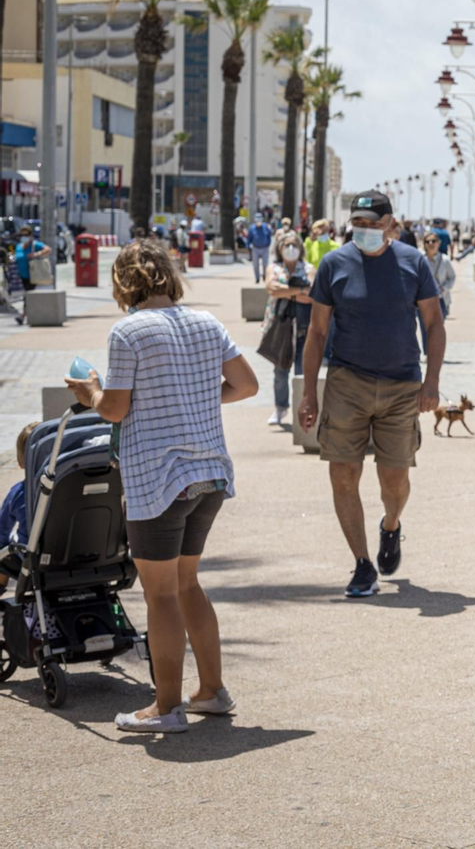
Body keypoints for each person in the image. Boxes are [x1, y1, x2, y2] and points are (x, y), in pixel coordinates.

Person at [65, 239, 259, 734]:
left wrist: (90, 392)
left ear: (123, 282)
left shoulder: (129, 331)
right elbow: (246, 385)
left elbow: (115, 410)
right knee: (188, 584)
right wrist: (195, 399)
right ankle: (211, 690)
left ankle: (167, 706)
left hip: (159, 479)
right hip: (209, 473)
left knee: (161, 595)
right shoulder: (206, 323)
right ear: (169, 276)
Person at [298, 191, 444, 598]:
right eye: (357, 223)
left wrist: (432, 382)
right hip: (347, 382)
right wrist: (309, 394)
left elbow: (434, 323)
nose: (363, 230)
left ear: (390, 225)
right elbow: (317, 332)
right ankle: (362, 564)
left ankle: (390, 525)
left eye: (372, 223)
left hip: (401, 385)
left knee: (394, 479)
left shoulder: (413, 262)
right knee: (343, 473)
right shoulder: (334, 264)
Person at [264, 230, 316, 428]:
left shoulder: (308, 268)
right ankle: (280, 407)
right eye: (287, 245)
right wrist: (299, 291)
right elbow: (272, 289)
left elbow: (312, 294)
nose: (291, 248)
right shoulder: (274, 267)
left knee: (303, 370)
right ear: (280, 248)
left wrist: (286, 291)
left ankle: (303, 409)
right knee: (280, 370)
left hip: (305, 326)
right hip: (280, 325)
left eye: (295, 244)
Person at [0, 421, 39, 593]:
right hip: (79, 554)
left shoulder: (19, 493)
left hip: (35, 562)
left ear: (21, 461)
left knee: (3, 553)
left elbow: (2, 530)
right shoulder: (71, 487)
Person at [420, 231, 454, 317]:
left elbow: (452, 277)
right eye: (427, 241)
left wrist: (444, 288)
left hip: (441, 299)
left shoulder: (445, 260)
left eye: (433, 241)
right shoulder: (420, 261)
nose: (430, 243)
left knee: (439, 325)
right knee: (425, 325)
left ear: (439, 243)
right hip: (423, 300)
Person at [14, 227, 46, 291]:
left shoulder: (35, 244)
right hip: (20, 277)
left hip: (32, 276)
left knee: (30, 294)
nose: (23, 237)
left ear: (30, 235)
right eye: (22, 235)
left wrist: (36, 254)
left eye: (26, 235)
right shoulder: (18, 246)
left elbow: (48, 249)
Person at [246, 213, 274, 284]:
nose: (258, 220)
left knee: (265, 264)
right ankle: (257, 278)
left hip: (265, 248)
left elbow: (269, 236)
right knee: (255, 264)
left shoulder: (266, 227)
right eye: (257, 219)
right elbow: (249, 238)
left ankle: (265, 276)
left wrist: (268, 244)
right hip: (255, 248)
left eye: (259, 218)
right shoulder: (252, 228)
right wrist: (248, 246)